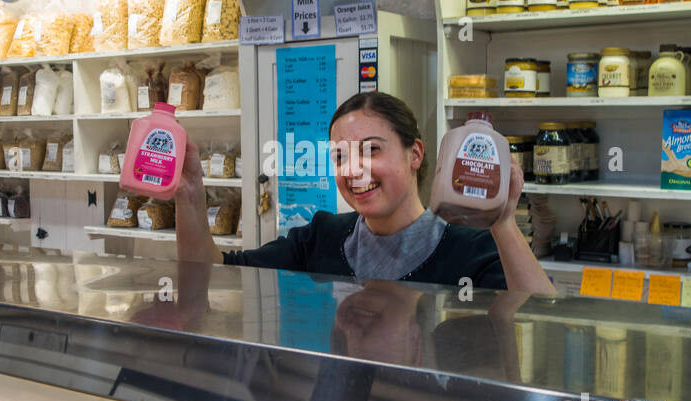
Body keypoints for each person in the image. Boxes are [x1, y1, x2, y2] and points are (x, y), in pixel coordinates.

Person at [174, 90, 556, 293]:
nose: (354, 170)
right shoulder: (321, 237)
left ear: (415, 154)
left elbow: (540, 324)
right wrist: (189, 193)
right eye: (341, 156)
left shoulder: (471, 249)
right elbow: (212, 274)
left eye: (372, 150)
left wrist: (504, 223)